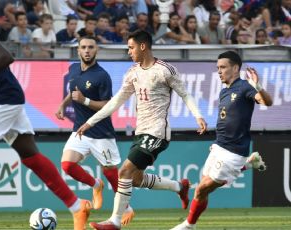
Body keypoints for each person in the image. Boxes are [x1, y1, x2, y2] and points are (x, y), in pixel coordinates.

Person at [0, 1, 92, 229]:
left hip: (1, 99)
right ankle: (77, 206)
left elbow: (4, 56)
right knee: (31, 156)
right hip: (8, 97)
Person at [76, 30, 208, 230]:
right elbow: (115, 102)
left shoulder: (165, 70)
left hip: (157, 132)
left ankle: (115, 221)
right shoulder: (132, 73)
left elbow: (185, 95)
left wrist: (198, 115)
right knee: (135, 179)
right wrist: (90, 122)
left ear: (143, 46)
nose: (129, 52)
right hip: (141, 133)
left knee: (124, 171)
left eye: (131, 47)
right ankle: (180, 187)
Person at [171, 51, 273, 230]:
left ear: (235, 68)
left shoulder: (245, 87)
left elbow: (267, 102)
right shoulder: (224, 91)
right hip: (219, 146)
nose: (219, 71)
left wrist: (258, 87)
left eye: (223, 67)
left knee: (200, 189)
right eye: (218, 68)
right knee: (203, 191)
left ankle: (188, 225)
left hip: (234, 152)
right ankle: (249, 164)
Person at [55, 36, 135, 227]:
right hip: (80, 130)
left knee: (111, 172)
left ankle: (127, 206)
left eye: (91, 47)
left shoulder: (102, 75)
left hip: (101, 132)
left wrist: (85, 101)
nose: (87, 50)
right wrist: (62, 105)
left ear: (96, 50)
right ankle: (95, 185)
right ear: (78, 51)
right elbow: (72, 91)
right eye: (83, 47)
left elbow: (108, 105)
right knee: (67, 165)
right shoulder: (73, 68)